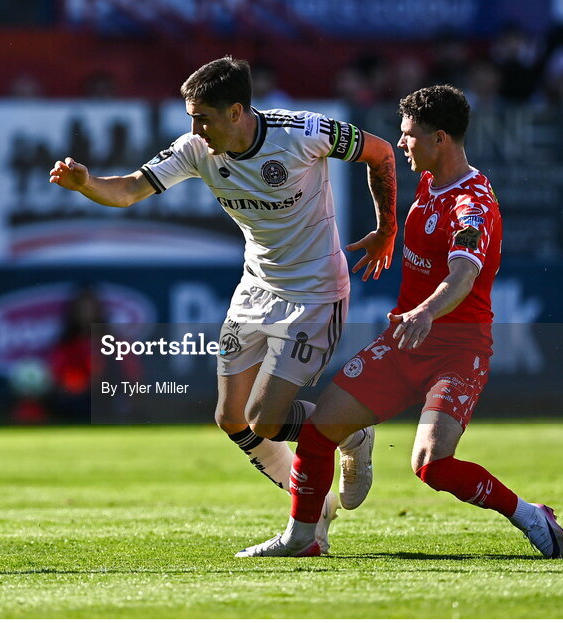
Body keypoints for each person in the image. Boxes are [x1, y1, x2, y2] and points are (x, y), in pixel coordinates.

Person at [49, 56, 397, 534]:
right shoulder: (196, 149)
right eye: (191, 117)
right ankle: (313, 506)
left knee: (266, 419)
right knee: (232, 417)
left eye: (203, 117)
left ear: (236, 112)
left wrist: (386, 228)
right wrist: (85, 183)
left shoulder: (302, 132)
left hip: (315, 290)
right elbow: (129, 190)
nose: (195, 128)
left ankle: (351, 434)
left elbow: (380, 152)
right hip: (256, 288)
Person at [237, 85, 563, 559]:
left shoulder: (471, 204)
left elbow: (463, 273)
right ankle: (303, 538)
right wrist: (385, 233)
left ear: (440, 139)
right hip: (404, 343)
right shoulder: (432, 180)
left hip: (457, 348)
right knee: (316, 435)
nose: (402, 143)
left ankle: (528, 513)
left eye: (409, 135)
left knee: (430, 465)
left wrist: (427, 310)